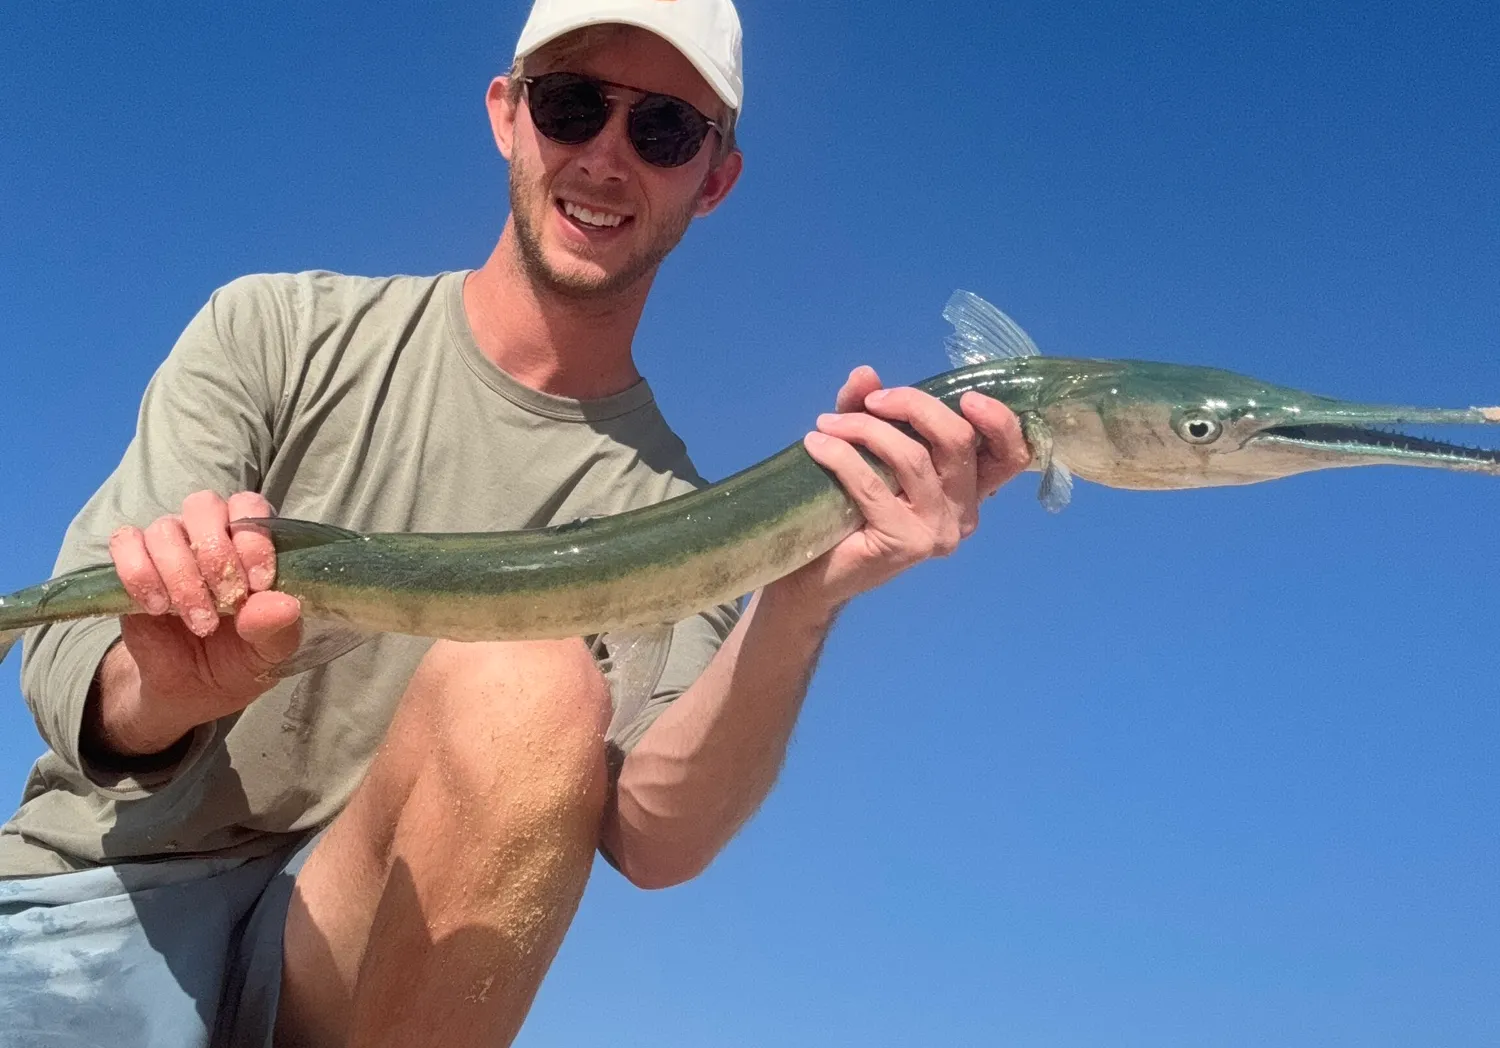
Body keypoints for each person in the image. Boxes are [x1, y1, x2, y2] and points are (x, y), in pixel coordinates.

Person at [0, 0, 1030, 1044]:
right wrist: (161, 688)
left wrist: (802, 594)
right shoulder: (277, 331)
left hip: (347, 954)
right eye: (573, 104)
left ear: (714, 177)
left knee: (527, 682)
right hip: (99, 893)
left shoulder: (684, 515)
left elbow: (654, 836)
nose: (605, 158)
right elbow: (65, 660)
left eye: (663, 128)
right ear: (506, 113)